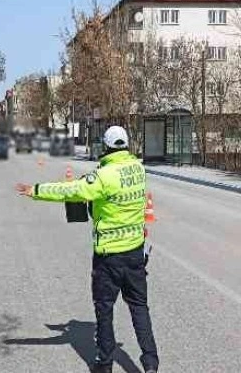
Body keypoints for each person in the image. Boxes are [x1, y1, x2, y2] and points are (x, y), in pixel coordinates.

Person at [16, 126, 159, 373]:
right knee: (139, 308)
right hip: (136, 252)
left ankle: (104, 364)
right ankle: (150, 364)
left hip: (108, 257)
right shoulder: (138, 169)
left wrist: (36, 191)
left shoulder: (103, 176)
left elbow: (71, 190)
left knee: (104, 311)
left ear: (105, 147)